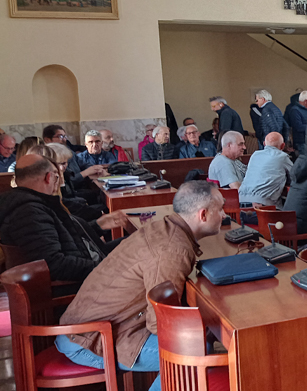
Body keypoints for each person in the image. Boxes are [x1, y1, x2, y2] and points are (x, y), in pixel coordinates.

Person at [55, 181, 226, 391]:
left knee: (199, 337)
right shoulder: (172, 250)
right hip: (88, 340)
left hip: (94, 328)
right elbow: (159, 324)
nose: (224, 215)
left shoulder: (163, 228)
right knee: (193, 351)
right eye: (220, 209)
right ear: (203, 214)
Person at [0, 154, 127, 282]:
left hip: (88, 260)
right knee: (137, 246)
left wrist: (97, 226)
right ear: (49, 177)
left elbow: (62, 238)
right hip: (83, 282)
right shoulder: (29, 212)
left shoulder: (31, 205)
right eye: (56, 177)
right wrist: (108, 268)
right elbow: (55, 265)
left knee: (136, 239)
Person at [239, 132, 292, 208]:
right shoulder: (282, 157)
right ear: (283, 145)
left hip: (241, 201)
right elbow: (295, 177)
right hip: (264, 204)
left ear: (264, 144)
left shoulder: (255, 155)